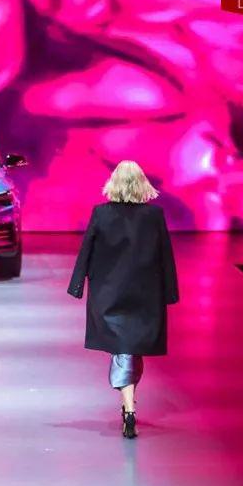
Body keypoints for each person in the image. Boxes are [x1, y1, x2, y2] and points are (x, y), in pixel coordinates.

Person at [67, 160, 178, 439]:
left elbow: (87, 250)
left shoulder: (101, 214)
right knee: (129, 350)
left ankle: (129, 408)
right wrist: (170, 292)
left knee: (124, 350)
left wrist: (77, 285)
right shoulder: (154, 215)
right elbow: (165, 254)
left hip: (109, 293)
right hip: (145, 294)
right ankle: (129, 406)